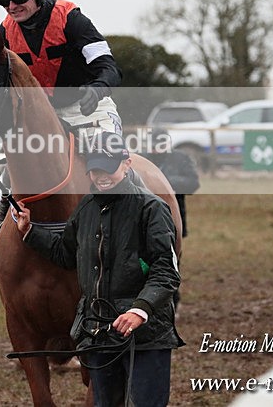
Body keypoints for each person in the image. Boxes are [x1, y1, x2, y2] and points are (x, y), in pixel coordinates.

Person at [14, 132, 183, 407]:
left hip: (145, 335)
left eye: (108, 168)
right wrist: (30, 232)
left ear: (127, 164)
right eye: (94, 170)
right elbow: (65, 253)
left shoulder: (153, 209)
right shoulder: (86, 208)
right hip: (99, 332)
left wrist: (140, 310)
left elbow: (166, 272)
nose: (101, 176)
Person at [0, 0, 124, 243]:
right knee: (13, 159)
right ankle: (5, 210)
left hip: (89, 107)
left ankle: (135, 223)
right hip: (42, 114)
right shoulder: (4, 32)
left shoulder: (71, 18)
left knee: (110, 161)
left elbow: (108, 66)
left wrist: (97, 88)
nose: (11, 5)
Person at [144, 129, 200, 238]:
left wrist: (166, 182)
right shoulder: (143, 159)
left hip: (173, 212)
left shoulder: (180, 158)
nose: (155, 149)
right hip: (147, 212)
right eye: (153, 146)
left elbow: (193, 183)